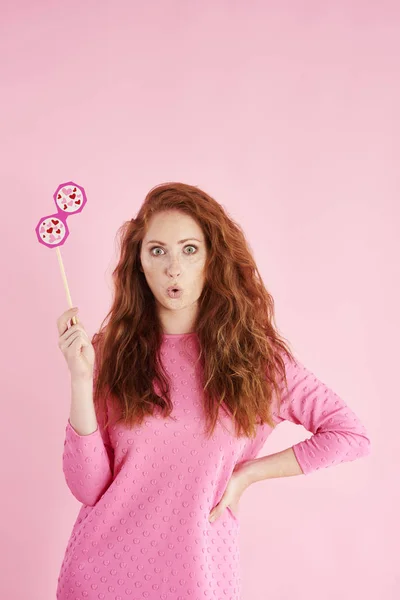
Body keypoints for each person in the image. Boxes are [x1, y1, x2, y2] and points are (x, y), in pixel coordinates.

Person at [55, 182, 371, 600]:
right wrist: (80, 379)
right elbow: (88, 488)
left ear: (211, 259)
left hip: (199, 581)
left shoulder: (257, 362)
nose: (173, 268)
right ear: (140, 264)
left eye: (189, 249)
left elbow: (350, 436)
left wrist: (247, 475)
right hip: (99, 580)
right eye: (157, 251)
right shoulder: (106, 354)